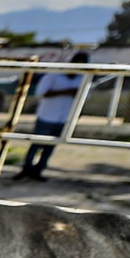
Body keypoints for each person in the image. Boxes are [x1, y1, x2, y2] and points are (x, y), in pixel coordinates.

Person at [17, 51, 87, 181]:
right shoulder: (53, 75)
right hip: (47, 116)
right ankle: (26, 169)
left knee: (51, 146)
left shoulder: (82, 78)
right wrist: (65, 92)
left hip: (65, 118)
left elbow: (85, 97)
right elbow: (41, 93)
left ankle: (38, 171)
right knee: (36, 145)